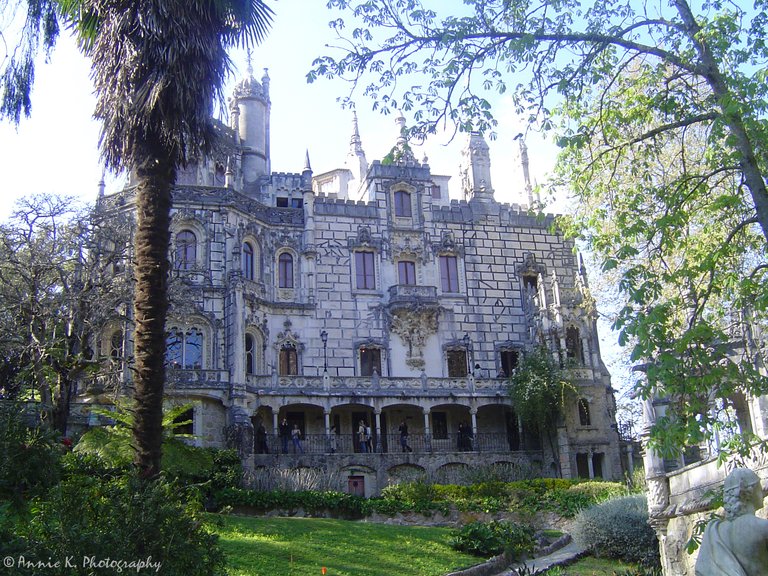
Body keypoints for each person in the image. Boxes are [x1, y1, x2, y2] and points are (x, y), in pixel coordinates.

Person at [695, 467, 768, 576]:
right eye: (759, 487)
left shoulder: (715, 530)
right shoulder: (763, 527)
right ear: (749, 493)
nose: (762, 493)